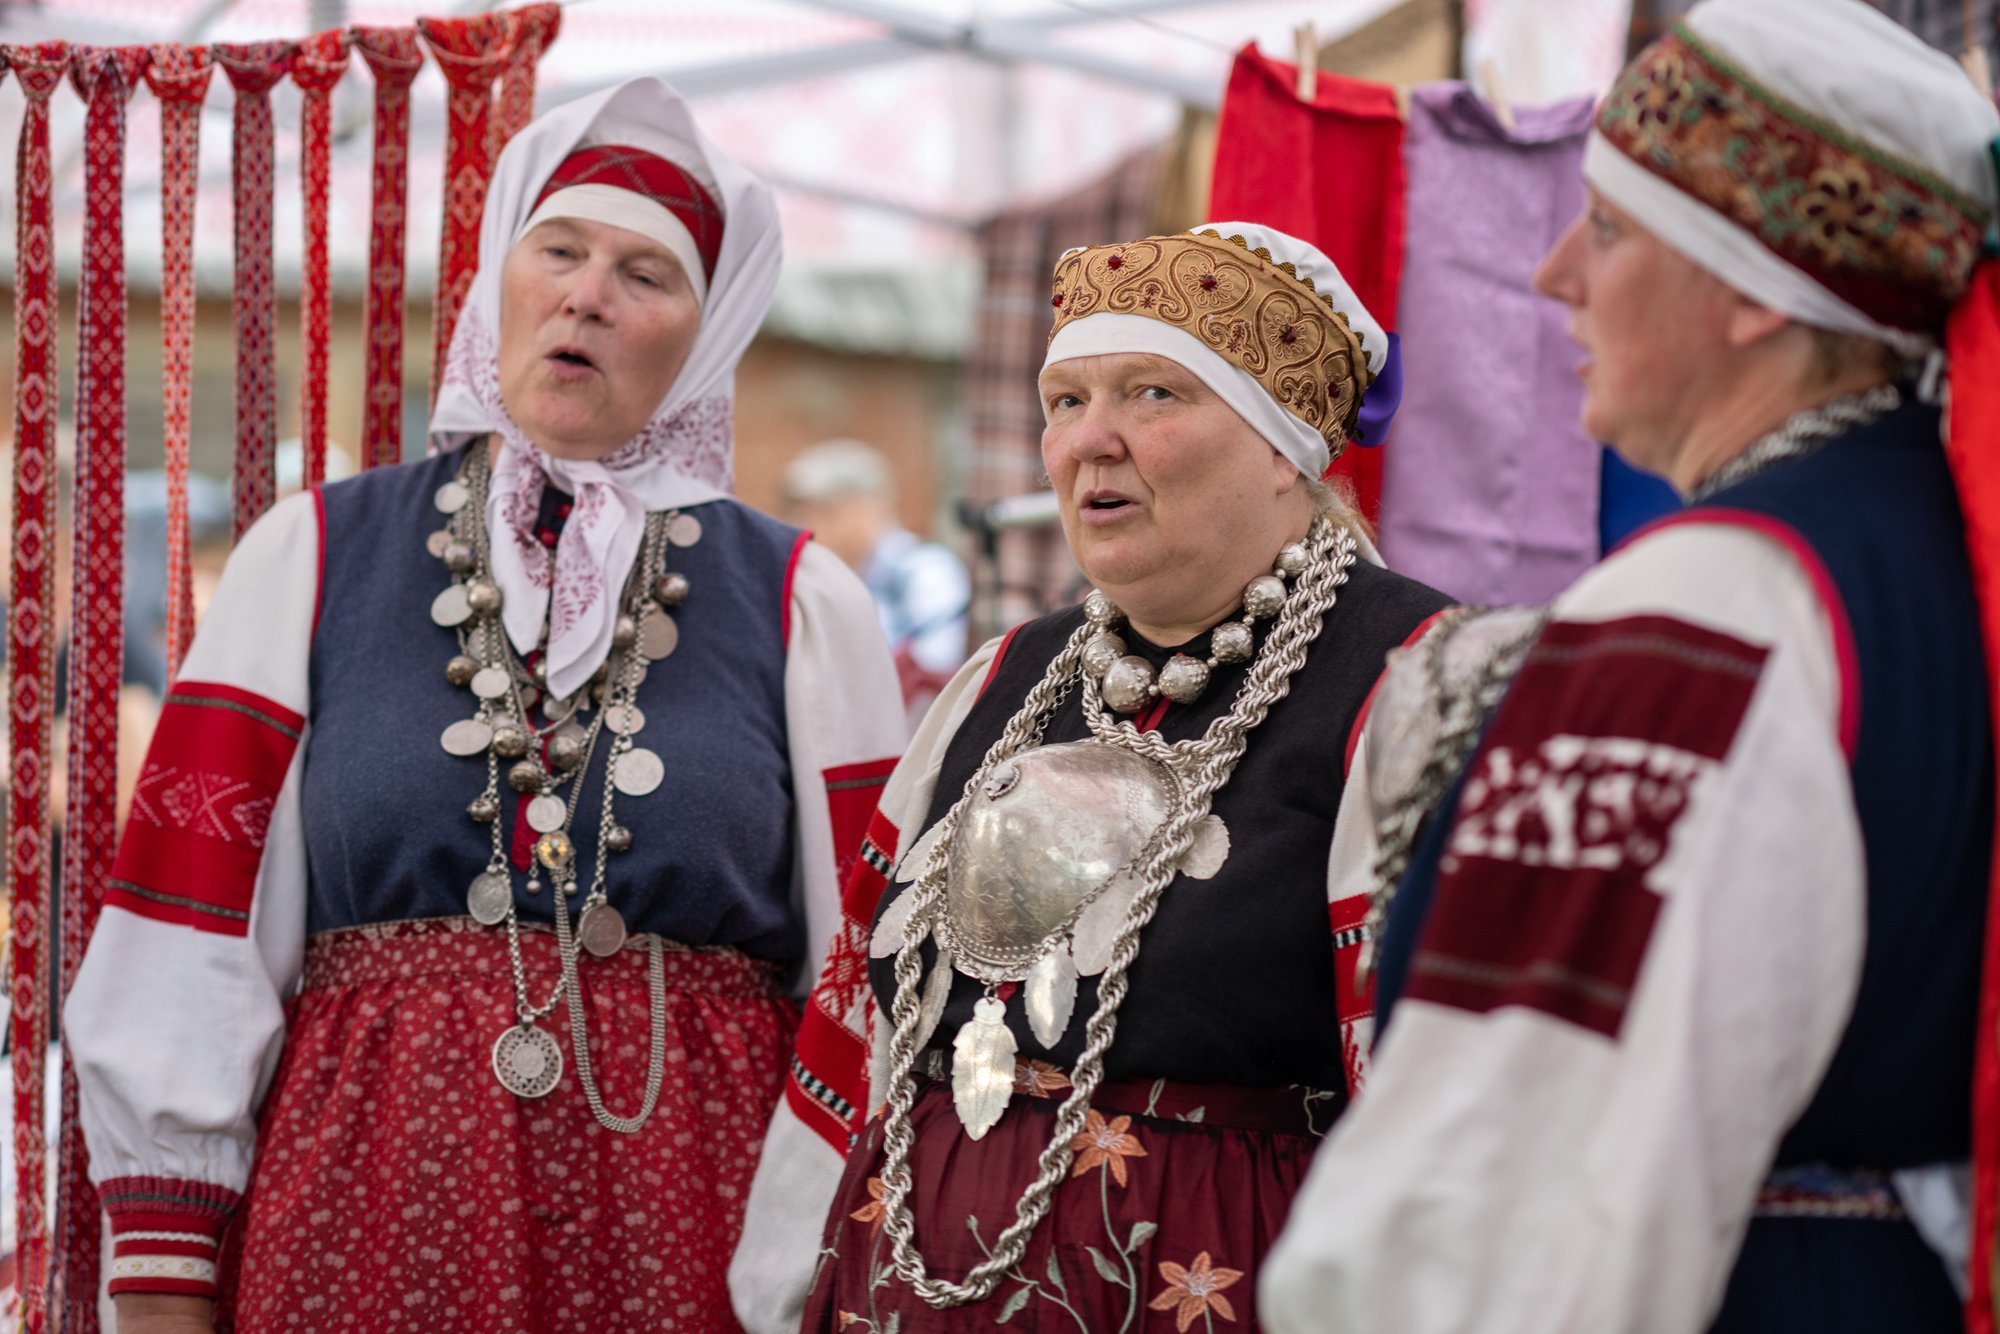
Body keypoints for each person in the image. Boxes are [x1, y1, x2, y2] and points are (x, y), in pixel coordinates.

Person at [66, 77, 905, 1333]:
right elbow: (188, 935)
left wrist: (827, 1256)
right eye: (557, 251)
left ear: (708, 332)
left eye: (645, 274)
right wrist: (166, 1268)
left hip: (700, 1229)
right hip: (367, 1210)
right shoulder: (314, 555)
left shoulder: (801, 600)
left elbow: (872, 973)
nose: (586, 294)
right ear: (499, 281)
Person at [1258, 2, 2000, 1330]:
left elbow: (1512, 1173)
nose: (1552, 276)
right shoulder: (1944, 555)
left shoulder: (1706, 603)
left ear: (1760, 295)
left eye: (1607, 226)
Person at [728, 223, 1452, 1331]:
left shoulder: (1408, 682)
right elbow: (855, 1025)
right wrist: (780, 1284)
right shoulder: (1001, 678)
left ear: (1282, 445)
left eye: (1152, 394)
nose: (1088, 442)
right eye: (1064, 400)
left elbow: (1447, 1103)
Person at [782, 438, 971, 711]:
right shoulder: (821, 579)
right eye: (803, 511)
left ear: (871, 507)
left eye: (825, 511)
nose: (806, 524)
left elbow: (933, 667)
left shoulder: (925, 569)